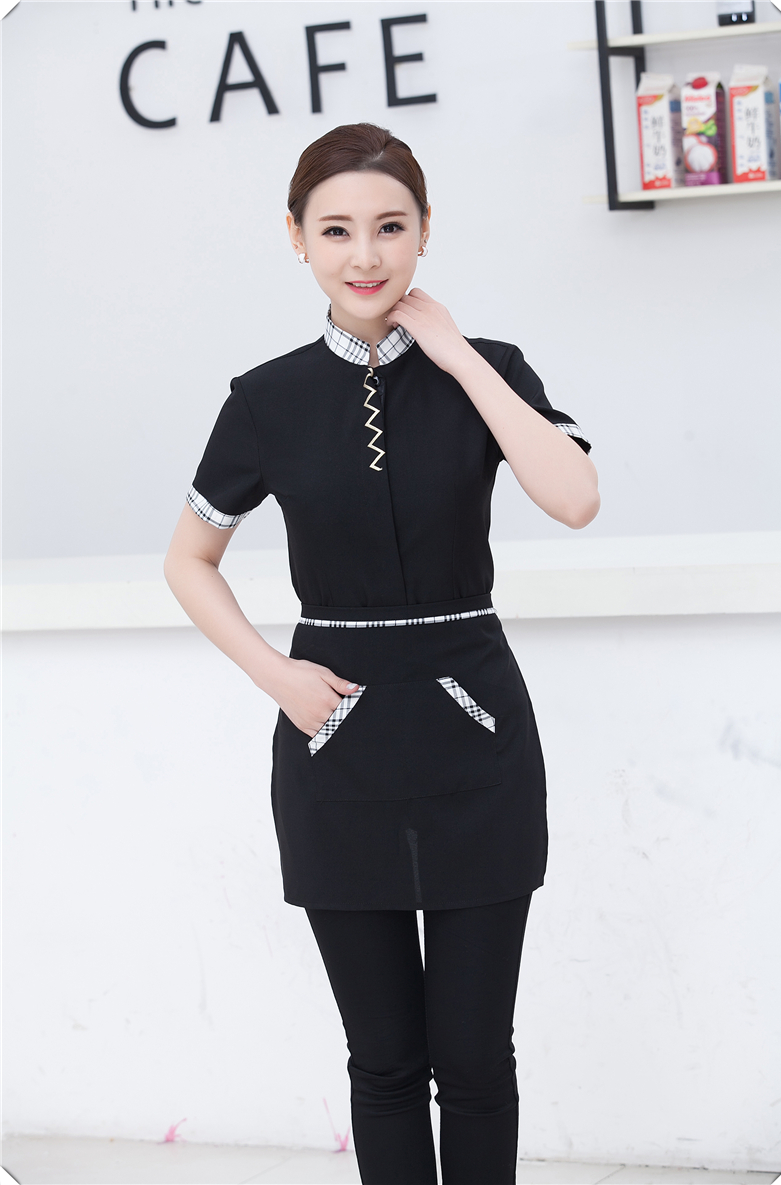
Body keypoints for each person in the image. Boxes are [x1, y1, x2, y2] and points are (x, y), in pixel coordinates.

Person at [164, 122, 599, 1185]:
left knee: (476, 1060)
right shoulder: (264, 400)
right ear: (296, 237)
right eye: (337, 230)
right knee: (386, 1062)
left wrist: (454, 353)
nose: (365, 255)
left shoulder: (490, 369)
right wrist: (276, 676)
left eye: (390, 227)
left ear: (424, 232)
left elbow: (575, 497)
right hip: (337, 745)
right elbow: (188, 560)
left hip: (476, 743)